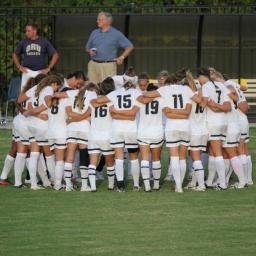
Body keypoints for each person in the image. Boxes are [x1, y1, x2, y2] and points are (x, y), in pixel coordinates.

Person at [86, 12, 134, 84]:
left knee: (107, 89)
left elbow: (130, 47)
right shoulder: (94, 32)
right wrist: (89, 51)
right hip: (93, 65)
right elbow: (87, 48)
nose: (97, 21)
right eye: (97, 19)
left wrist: (121, 57)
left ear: (108, 21)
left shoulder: (116, 34)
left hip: (108, 66)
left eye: (100, 19)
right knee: (92, 89)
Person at [12, 23, 59, 89]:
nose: (26, 33)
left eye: (28, 31)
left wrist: (49, 68)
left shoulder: (44, 41)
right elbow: (15, 54)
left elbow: (55, 55)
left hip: (41, 72)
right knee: (24, 92)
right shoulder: (23, 42)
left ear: (35, 31)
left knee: (41, 91)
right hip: (27, 71)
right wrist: (19, 67)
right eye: (26, 31)